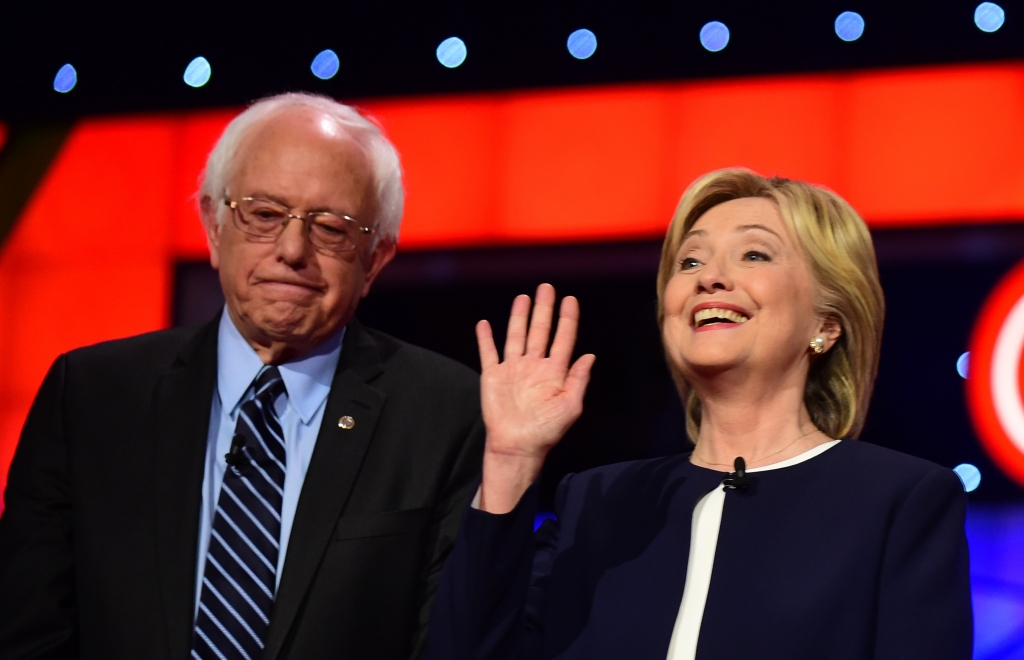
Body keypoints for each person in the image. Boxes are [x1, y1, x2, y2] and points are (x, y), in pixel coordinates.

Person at [0, 93, 484, 660]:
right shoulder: (90, 397)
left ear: (375, 257)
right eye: (264, 214)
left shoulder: (446, 415)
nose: (292, 249)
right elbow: (26, 635)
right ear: (213, 224)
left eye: (331, 226)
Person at [426, 169, 972, 659]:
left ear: (826, 324)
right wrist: (510, 460)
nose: (709, 277)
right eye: (690, 261)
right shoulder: (596, 502)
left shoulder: (899, 500)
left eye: (754, 254)